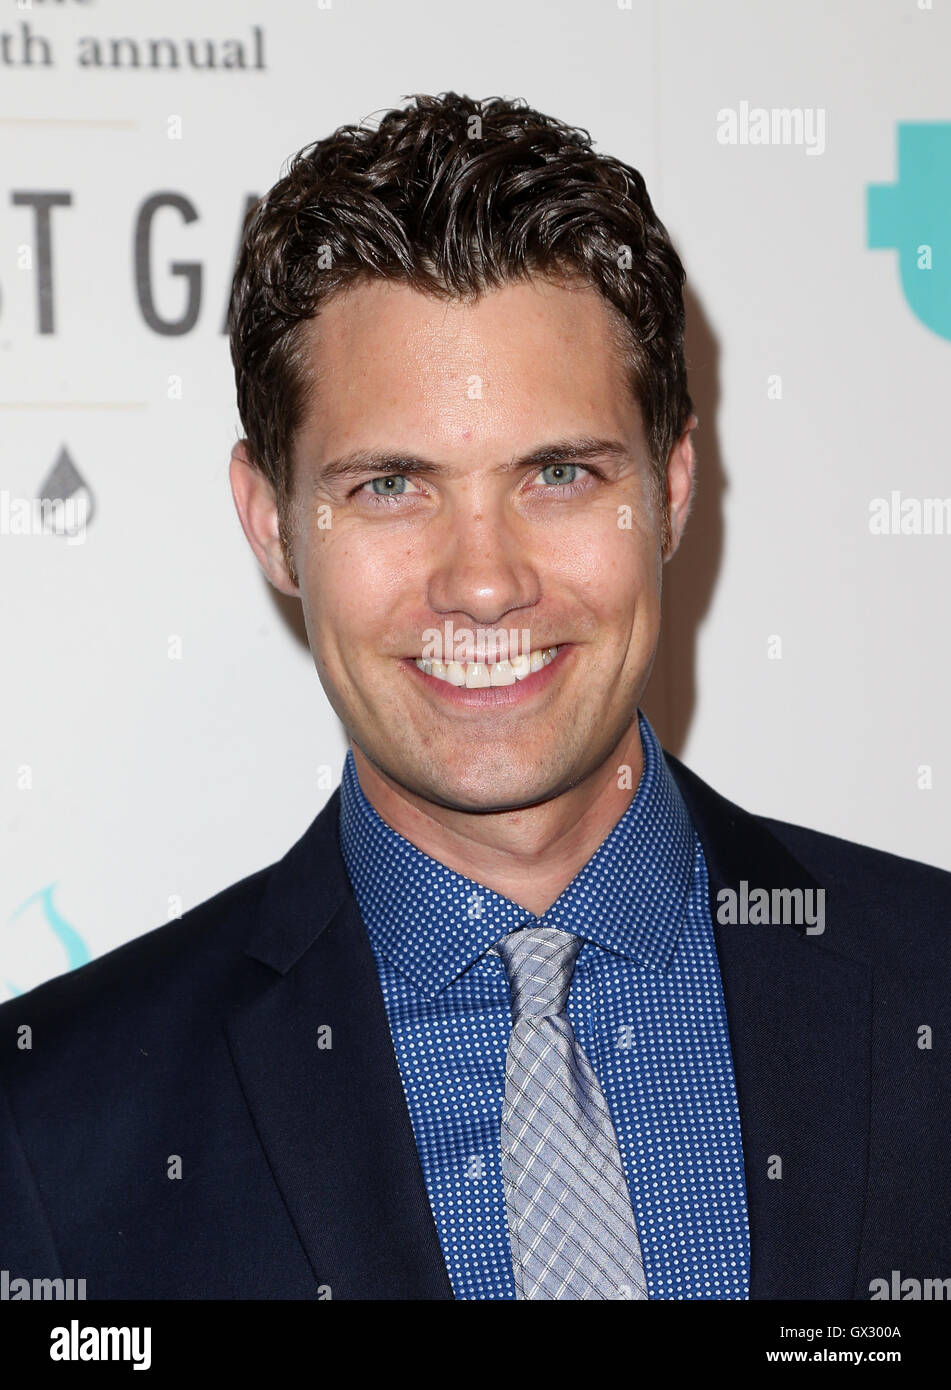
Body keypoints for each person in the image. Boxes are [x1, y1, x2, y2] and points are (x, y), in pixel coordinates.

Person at [2, 93, 949, 1302]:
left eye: (558, 473)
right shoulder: (53, 1135)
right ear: (271, 524)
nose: (486, 582)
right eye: (394, 485)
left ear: (668, 488)